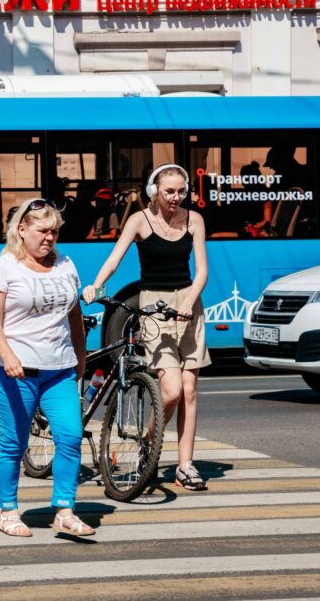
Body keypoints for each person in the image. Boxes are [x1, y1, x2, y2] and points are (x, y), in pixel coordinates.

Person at [82, 164, 211, 490]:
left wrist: (188, 303)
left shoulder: (194, 220)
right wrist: (95, 286)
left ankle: (185, 465)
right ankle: (149, 445)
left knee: (190, 390)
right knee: (170, 391)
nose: (176, 197)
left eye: (182, 191)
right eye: (170, 191)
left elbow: (202, 272)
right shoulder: (139, 220)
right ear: (154, 191)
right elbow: (114, 259)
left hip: (189, 305)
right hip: (154, 306)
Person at [0, 198, 91, 537]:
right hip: (15, 372)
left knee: (71, 437)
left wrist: (81, 354)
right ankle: (8, 511)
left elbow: (73, 315)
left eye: (55, 231)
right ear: (22, 230)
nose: (49, 237)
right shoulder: (2, 268)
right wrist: (8, 356)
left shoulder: (66, 264)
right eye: (43, 230)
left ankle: (64, 510)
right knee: (14, 443)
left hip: (59, 370)